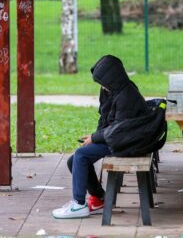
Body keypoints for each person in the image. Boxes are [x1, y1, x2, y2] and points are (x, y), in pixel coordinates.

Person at [52, 55, 148, 219]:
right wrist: (94, 136)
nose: (103, 87)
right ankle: (98, 198)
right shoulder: (111, 90)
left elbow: (119, 129)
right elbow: (105, 117)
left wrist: (96, 138)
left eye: (104, 83)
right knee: (74, 160)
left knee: (81, 155)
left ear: (113, 79)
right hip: (117, 137)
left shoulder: (127, 95)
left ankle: (78, 204)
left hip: (128, 142)